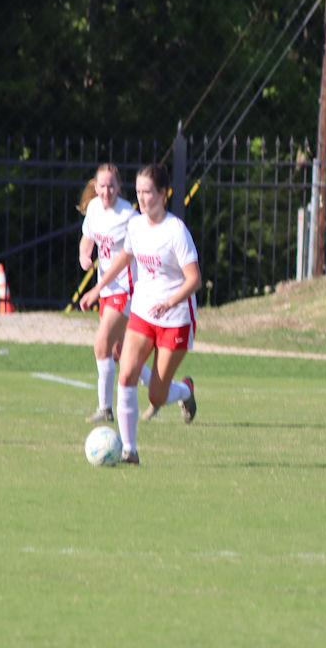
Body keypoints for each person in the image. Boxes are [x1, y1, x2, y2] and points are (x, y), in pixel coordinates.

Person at [79, 164, 200, 465]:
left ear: (163, 193)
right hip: (143, 312)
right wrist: (97, 289)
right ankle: (129, 451)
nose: (142, 198)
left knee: (156, 396)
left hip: (176, 318)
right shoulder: (136, 226)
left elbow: (194, 279)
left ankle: (185, 390)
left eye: (148, 192)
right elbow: (124, 258)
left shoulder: (176, 231)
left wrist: (170, 302)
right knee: (127, 374)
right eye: (139, 192)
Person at [77, 165, 151, 423]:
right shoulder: (94, 209)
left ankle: (105, 409)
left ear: (119, 187)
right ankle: (176, 391)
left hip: (125, 289)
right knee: (120, 354)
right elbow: (87, 237)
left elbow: (124, 260)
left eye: (111, 186)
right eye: (102, 186)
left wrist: (95, 290)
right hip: (107, 289)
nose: (106, 191)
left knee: (101, 344)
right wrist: (84, 255)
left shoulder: (128, 217)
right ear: (96, 187)